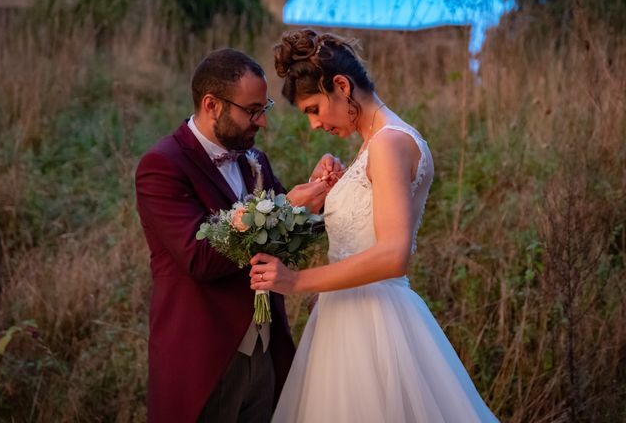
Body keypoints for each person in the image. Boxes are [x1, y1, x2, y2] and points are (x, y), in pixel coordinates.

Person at [249, 29, 499, 422]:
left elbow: (392, 254)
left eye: (314, 108)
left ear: (342, 86)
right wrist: (335, 182)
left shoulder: (388, 143)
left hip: (375, 326)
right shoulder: (375, 144)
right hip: (342, 319)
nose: (314, 125)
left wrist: (296, 282)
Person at [135, 48, 342, 422]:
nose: (262, 122)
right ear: (212, 104)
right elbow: (199, 259)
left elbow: (284, 234)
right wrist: (285, 209)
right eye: (252, 110)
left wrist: (321, 190)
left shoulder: (253, 160)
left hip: (264, 351)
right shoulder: (162, 166)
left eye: (265, 108)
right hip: (203, 359)